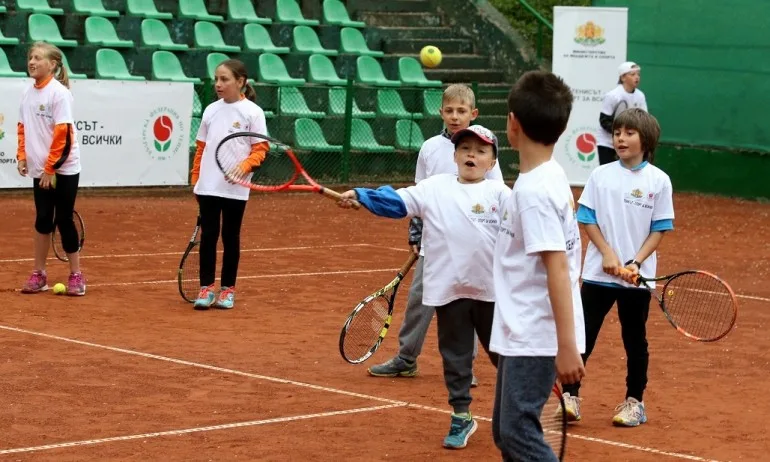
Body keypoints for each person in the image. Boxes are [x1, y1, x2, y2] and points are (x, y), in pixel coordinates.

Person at [338, 124, 510, 449]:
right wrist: (362, 196)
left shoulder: (501, 195)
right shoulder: (434, 187)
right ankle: (461, 416)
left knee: (506, 357)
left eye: (480, 150)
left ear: (492, 162)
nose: (471, 154)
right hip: (449, 292)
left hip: (493, 294)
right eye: (464, 149)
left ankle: (520, 413)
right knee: (455, 357)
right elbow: (397, 200)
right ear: (455, 154)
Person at [367, 84, 504, 386]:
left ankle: (465, 367)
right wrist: (415, 235)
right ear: (440, 112)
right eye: (450, 111)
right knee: (419, 302)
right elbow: (417, 197)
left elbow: (498, 197)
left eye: (462, 111)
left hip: (472, 248)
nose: (455, 117)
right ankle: (406, 358)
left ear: (473, 113)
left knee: (468, 304)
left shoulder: (484, 145)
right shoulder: (430, 147)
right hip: (435, 246)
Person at [490, 70, 586, 461]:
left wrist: (565, 346)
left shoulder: (534, 192)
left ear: (512, 122)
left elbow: (558, 268)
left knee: (516, 433)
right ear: (561, 131)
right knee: (505, 430)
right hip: (524, 331)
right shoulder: (548, 176)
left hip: (537, 334)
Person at [561, 108, 674, 427]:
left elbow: (659, 228)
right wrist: (608, 255)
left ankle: (634, 402)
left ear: (646, 139)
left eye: (629, 133)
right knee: (582, 337)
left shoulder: (659, 181)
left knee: (635, 341)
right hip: (597, 275)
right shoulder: (601, 175)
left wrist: (636, 262)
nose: (621, 138)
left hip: (636, 279)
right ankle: (570, 396)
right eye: (617, 132)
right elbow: (587, 218)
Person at [189, 59, 268, 310]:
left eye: (224, 79)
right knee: (209, 236)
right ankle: (206, 289)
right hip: (208, 186)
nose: (218, 84)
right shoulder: (210, 110)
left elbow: (260, 150)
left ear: (240, 81)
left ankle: (228, 290)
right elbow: (201, 149)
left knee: (230, 237)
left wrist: (243, 168)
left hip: (236, 187)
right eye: (217, 79)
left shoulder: (253, 112)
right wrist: (195, 181)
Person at [17, 41, 85, 296]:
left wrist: (51, 168)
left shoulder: (59, 93)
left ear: (53, 65)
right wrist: (22, 155)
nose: (32, 62)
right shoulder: (27, 93)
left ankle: (76, 275)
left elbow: (63, 137)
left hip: (64, 168)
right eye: (30, 58)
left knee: (63, 218)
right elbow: (22, 126)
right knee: (43, 219)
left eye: (38, 58)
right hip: (40, 169)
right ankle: (39, 274)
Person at [597, 61, 648, 165]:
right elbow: (604, 121)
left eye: (638, 74)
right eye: (632, 74)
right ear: (623, 78)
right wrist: (622, 133)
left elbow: (644, 119)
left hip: (629, 144)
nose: (637, 77)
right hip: (607, 144)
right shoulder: (613, 96)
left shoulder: (640, 96)